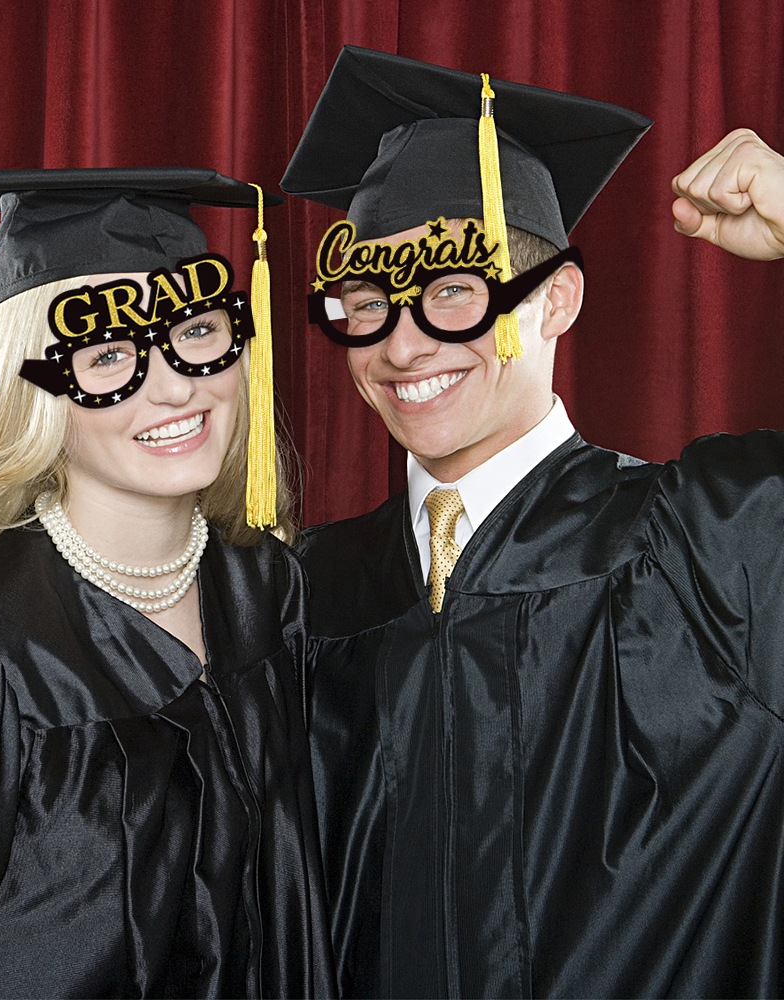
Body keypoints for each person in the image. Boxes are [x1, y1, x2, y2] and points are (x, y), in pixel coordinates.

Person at [281, 45, 784, 998]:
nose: (402, 342)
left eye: (453, 292)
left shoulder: (716, 550)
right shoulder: (309, 593)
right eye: (367, 302)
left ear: (558, 299)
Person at [0, 168, 335, 998]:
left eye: (194, 334)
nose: (175, 384)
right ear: (33, 391)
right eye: (110, 355)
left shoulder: (273, 596)